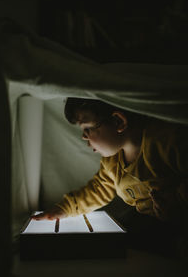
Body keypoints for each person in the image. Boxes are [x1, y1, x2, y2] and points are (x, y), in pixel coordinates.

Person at [32, 98, 188, 257]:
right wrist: (65, 208)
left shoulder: (164, 141)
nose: (84, 137)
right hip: (150, 224)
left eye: (87, 129)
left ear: (118, 121)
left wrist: (178, 206)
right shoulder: (112, 162)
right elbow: (98, 189)